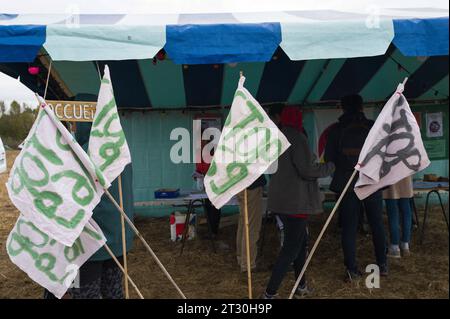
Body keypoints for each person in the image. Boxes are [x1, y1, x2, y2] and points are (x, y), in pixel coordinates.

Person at [44, 122, 134, 299]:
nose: (73, 128)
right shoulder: (119, 150)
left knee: (85, 292)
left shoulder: (80, 154)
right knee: (113, 290)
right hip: (118, 238)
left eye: (75, 123)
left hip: (87, 244)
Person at [262, 106, 335, 299]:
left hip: (281, 200)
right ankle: (270, 294)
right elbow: (307, 170)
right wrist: (330, 167)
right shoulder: (296, 137)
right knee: (291, 249)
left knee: (301, 244)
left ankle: (301, 285)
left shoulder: (277, 137)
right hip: (295, 202)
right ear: (297, 119)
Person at [324, 94, 388, 282]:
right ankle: (382, 265)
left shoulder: (336, 130)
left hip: (347, 183)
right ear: (361, 107)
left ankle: (352, 269)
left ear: (342, 108)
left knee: (349, 228)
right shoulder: (372, 126)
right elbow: (383, 154)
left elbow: (329, 159)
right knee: (377, 224)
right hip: (371, 182)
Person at [236, 175, 266, 272]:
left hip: (241, 184)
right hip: (251, 185)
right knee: (251, 226)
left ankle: (242, 258)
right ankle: (248, 264)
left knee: (244, 223)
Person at [383, 176, 414, 258]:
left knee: (393, 212)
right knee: (406, 210)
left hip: (390, 178)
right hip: (405, 176)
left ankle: (395, 246)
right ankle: (405, 244)